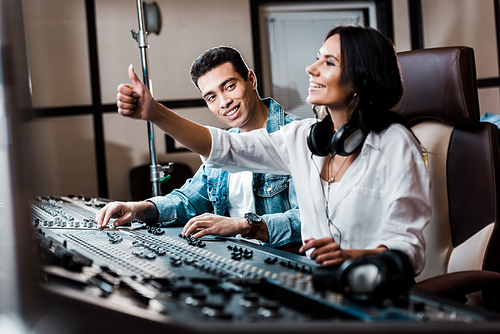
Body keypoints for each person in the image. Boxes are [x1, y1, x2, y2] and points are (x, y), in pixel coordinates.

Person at [114, 25, 431, 275]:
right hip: (315, 282)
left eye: (328, 62)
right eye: (317, 57)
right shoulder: (305, 137)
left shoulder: (395, 142)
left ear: (361, 77)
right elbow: (225, 148)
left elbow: (409, 252)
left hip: (370, 290)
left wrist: (351, 257)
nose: (311, 68)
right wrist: (154, 112)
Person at [96, 46, 302, 248]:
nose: (224, 102)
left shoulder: (298, 136)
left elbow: (307, 221)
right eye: (211, 97)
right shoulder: (226, 144)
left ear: (251, 80)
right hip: (237, 262)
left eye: (229, 86)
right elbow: (188, 201)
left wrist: (243, 225)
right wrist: (138, 208)